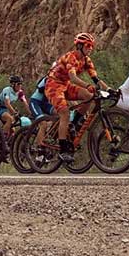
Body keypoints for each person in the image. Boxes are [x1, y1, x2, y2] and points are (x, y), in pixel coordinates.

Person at [45, 33, 109, 163]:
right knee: (65, 113)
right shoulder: (71, 57)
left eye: (92, 46)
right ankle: (63, 149)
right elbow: (73, 77)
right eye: (88, 45)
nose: (90, 48)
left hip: (66, 85)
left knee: (89, 96)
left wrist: (109, 90)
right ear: (79, 45)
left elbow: (96, 79)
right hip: (53, 85)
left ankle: (75, 124)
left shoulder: (87, 60)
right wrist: (88, 85)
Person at [0, 76, 31, 141]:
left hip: (5, 109)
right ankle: (2, 141)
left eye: (21, 84)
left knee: (12, 130)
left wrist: (31, 113)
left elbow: (25, 104)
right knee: (9, 119)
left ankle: (8, 144)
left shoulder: (20, 92)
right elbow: (7, 104)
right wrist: (14, 113)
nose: (20, 86)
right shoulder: (7, 90)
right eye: (18, 84)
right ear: (13, 84)